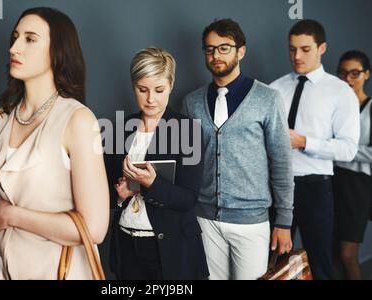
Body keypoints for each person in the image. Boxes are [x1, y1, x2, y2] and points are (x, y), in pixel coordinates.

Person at [0, 7, 109, 280]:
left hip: (57, 271)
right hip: (0, 271)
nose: (14, 48)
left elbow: (95, 229)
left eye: (30, 39)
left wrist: (13, 216)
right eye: (15, 37)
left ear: (57, 52)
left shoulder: (77, 120)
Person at [181, 19, 294, 280]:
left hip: (251, 221)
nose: (215, 55)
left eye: (224, 48)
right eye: (209, 49)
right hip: (205, 219)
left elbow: (281, 161)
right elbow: (187, 162)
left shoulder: (268, 98)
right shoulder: (192, 101)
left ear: (240, 51)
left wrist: (284, 221)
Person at [105, 47, 209, 280]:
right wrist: (119, 196)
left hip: (169, 250)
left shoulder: (188, 131)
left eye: (159, 90)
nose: (151, 99)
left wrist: (152, 183)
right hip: (126, 246)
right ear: (133, 86)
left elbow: (189, 199)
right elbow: (104, 190)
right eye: (142, 90)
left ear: (171, 85)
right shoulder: (119, 128)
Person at [270, 20, 360, 280]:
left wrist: (304, 142)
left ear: (322, 48)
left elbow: (348, 150)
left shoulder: (340, 92)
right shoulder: (275, 88)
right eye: (292, 49)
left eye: (305, 49)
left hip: (315, 188)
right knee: (273, 263)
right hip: (276, 187)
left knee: (320, 263)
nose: (297, 56)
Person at [333, 50, 371, 280]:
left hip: (358, 187)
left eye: (355, 73)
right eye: (343, 73)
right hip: (333, 181)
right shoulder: (336, 108)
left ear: (366, 74)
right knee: (332, 252)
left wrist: (338, 150)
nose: (348, 79)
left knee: (348, 254)